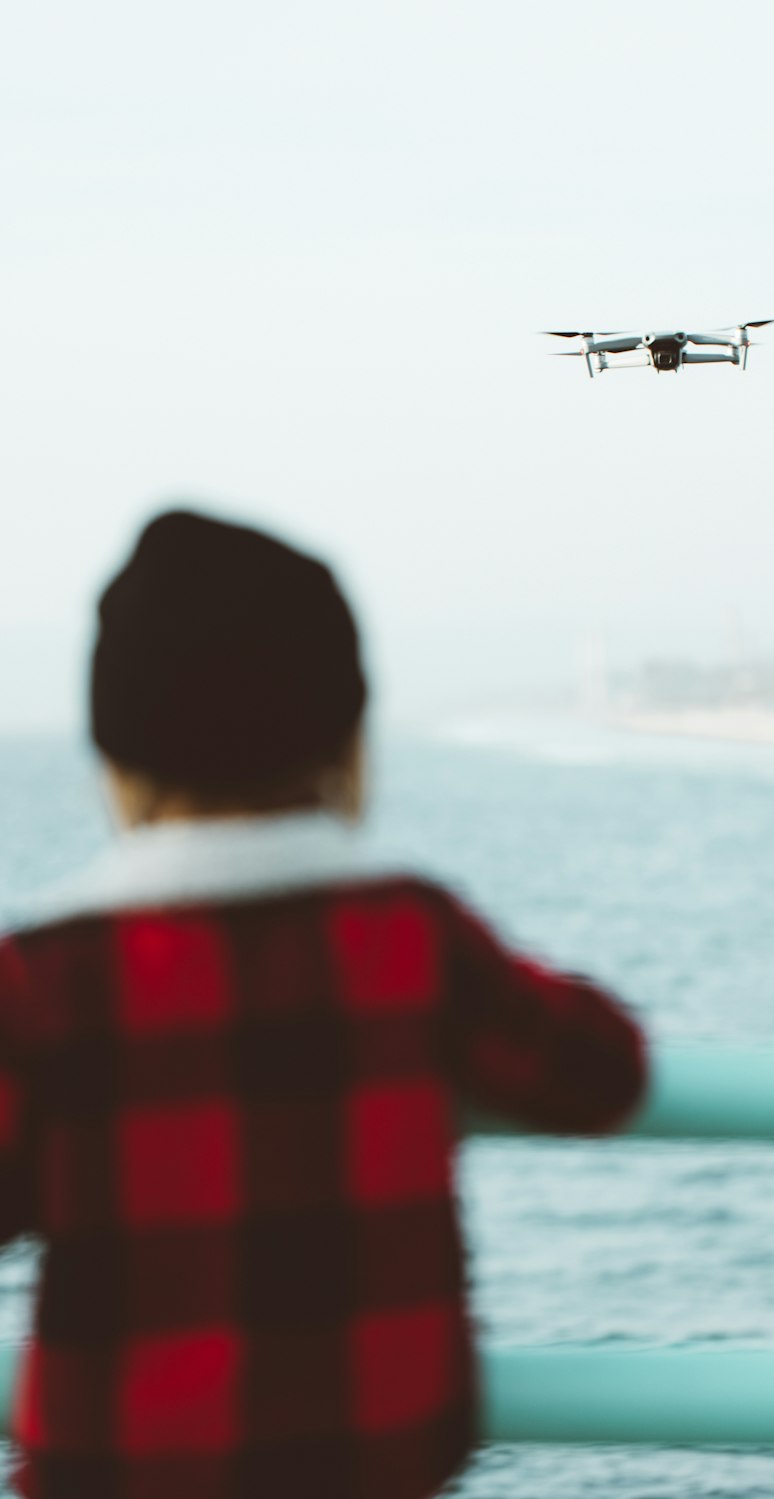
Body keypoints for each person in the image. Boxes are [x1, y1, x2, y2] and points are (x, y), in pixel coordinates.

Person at [0, 508, 648, 1499]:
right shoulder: (410, 934)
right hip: (373, 1463)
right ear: (348, 741)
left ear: (115, 765)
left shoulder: (44, 976)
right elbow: (602, 1071)